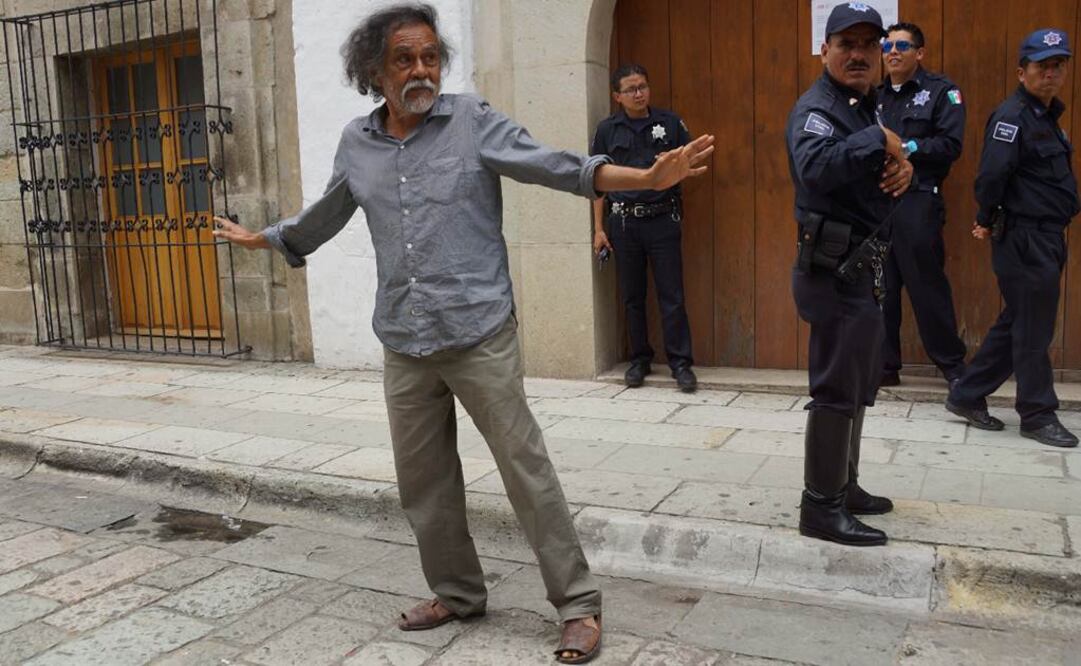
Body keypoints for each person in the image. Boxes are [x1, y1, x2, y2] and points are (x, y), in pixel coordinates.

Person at [212, 3, 714, 663]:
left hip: (479, 331)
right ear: (373, 70)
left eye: (429, 56)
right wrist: (268, 239)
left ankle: (577, 606)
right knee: (423, 482)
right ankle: (457, 592)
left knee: (525, 470)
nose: (420, 69)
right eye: (403, 59)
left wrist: (644, 177)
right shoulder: (357, 143)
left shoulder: (472, 121)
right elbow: (329, 211)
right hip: (404, 338)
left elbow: (558, 165)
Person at [786, 2, 913, 547]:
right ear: (825, 50)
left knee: (860, 384)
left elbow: (870, 169)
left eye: (869, 44)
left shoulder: (862, 105)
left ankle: (846, 485)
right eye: (847, 44)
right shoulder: (817, 108)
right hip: (832, 271)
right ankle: (820, 506)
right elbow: (815, 167)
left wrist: (901, 164)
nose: (860, 54)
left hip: (863, 268)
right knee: (836, 389)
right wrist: (879, 141)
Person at [946, 29, 1079, 449]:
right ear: (1023, 72)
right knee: (1033, 329)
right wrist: (986, 218)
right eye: (1042, 66)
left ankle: (966, 393)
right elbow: (990, 177)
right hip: (1024, 237)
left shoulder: (1044, 117)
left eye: (1058, 66)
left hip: (1045, 237)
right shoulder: (1012, 117)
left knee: (1019, 321)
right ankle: (1037, 414)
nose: (1051, 74)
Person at [591, 64, 697, 393]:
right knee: (632, 297)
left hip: (663, 219)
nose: (639, 94)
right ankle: (639, 360)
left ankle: (681, 364)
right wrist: (598, 229)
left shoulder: (669, 123)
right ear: (617, 96)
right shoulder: (607, 130)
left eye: (643, 87)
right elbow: (596, 181)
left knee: (672, 296)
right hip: (623, 222)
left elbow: (688, 162)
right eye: (631, 89)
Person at [877, 22, 967, 388]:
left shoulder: (941, 93)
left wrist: (907, 148)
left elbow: (951, 145)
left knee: (926, 286)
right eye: (887, 46)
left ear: (920, 53)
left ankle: (953, 367)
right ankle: (884, 367)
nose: (893, 52)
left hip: (917, 202)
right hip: (878, 202)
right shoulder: (873, 95)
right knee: (880, 289)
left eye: (902, 45)